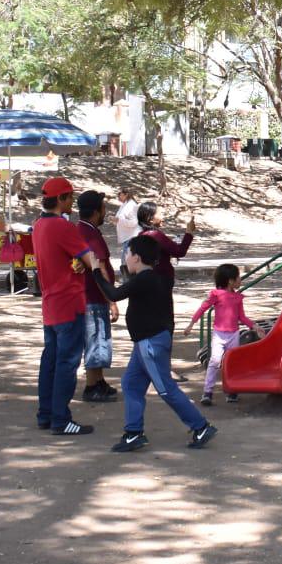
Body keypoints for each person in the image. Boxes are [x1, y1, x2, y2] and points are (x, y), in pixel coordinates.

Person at [92, 234, 217, 452]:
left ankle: (201, 427)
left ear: (137, 258)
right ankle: (133, 433)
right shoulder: (154, 278)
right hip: (145, 342)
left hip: (150, 343)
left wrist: (95, 270)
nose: (126, 258)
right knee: (131, 384)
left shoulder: (145, 279)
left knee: (165, 387)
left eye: (128, 254)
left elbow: (114, 293)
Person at [33, 177, 98, 437]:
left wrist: (78, 262)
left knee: (50, 360)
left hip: (51, 304)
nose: (73, 201)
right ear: (60, 199)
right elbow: (91, 260)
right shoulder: (63, 226)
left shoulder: (38, 225)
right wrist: (87, 263)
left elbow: (66, 258)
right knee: (67, 363)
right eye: (70, 196)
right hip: (69, 303)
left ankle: (46, 414)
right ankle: (61, 419)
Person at [183, 263, 261, 405]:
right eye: (238, 277)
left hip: (234, 334)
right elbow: (203, 308)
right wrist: (191, 324)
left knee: (232, 362)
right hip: (219, 335)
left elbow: (242, 317)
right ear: (230, 281)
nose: (240, 279)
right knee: (214, 362)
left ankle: (232, 390)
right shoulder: (216, 295)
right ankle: (207, 392)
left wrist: (254, 326)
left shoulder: (237, 298)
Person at [76, 190, 119, 402]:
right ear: (96, 211)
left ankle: (99, 380)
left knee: (100, 339)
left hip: (92, 296)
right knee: (96, 340)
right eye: (103, 207)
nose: (105, 211)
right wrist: (112, 300)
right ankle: (91, 385)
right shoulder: (89, 234)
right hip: (93, 296)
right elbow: (99, 267)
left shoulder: (85, 230)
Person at [136, 201, 195, 295]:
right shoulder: (156, 235)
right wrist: (189, 232)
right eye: (160, 214)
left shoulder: (141, 235)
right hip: (161, 280)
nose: (163, 217)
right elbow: (180, 252)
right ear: (150, 218)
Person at [114, 188, 140, 271]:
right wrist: (115, 220)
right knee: (125, 261)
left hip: (131, 236)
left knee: (126, 262)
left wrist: (118, 220)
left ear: (126, 195)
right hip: (126, 236)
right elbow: (119, 218)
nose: (118, 196)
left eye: (120, 194)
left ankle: (129, 277)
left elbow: (134, 222)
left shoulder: (132, 205)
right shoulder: (125, 204)